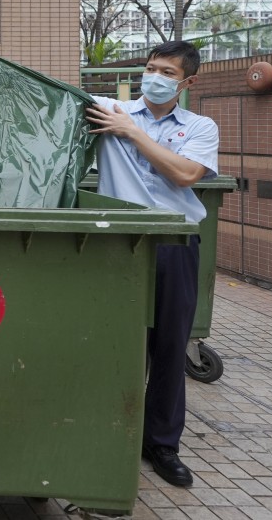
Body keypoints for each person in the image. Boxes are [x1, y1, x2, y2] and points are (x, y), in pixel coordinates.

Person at [86, 40, 219, 489]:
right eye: (149, 68)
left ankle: (161, 444)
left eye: (166, 71)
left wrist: (132, 133)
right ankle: (104, 432)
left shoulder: (201, 127)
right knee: (113, 342)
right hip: (120, 245)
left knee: (168, 346)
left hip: (175, 245)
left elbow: (184, 175)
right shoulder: (109, 109)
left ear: (187, 82)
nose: (154, 77)